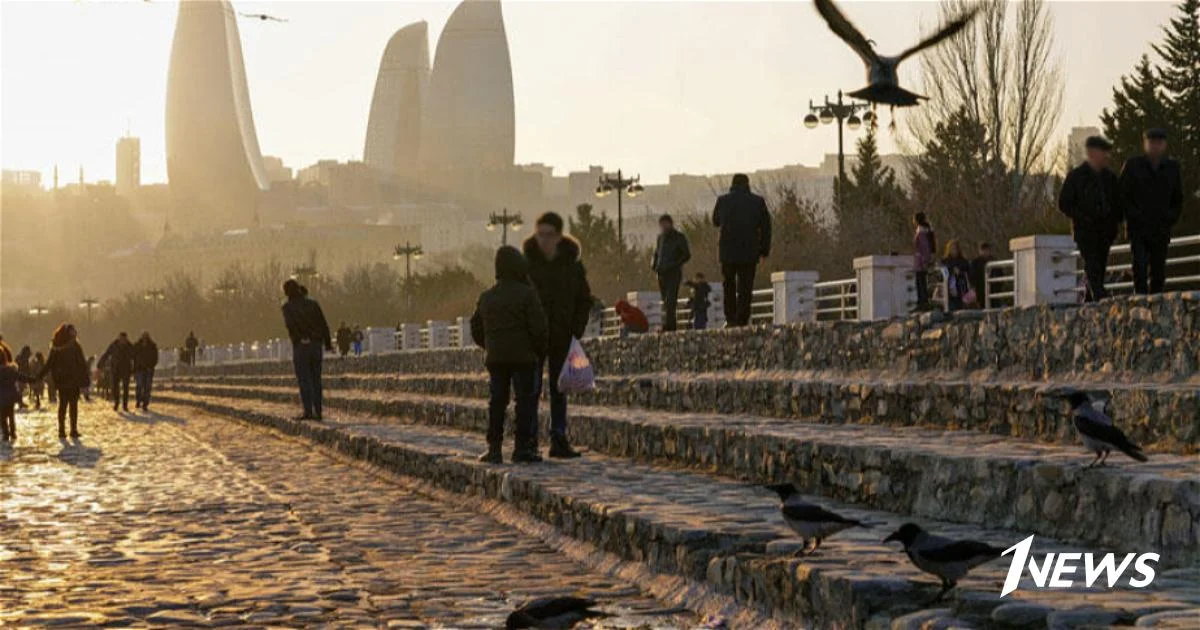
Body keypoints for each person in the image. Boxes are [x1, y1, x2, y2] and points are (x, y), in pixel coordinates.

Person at [470, 246, 549, 464]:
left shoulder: (487, 297)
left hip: (496, 358)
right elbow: (539, 327)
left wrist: (489, 345)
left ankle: (494, 448)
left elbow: (475, 327)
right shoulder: (527, 294)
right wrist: (537, 350)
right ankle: (522, 448)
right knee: (524, 402)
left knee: (497, 402)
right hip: (523, 358)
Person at [523, 212, 593, 459]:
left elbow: (584, 299)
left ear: (559, 236)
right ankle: (529, 440)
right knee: (530, 389)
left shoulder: (571, 265)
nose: (543, 240)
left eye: (549, 235)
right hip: (534, 338)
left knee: (559, 388)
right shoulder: (528, 264)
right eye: (539, 234)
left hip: (562, 335)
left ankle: (558, 438)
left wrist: (576, 328)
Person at [1120, 128, 1184, 294]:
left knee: (1158, 269)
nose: (1155, 146)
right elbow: (1121, 196)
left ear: (1164, 145)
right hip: (1138, 228)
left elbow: (1178, 198)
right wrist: (1133, 216)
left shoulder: (1171, 168)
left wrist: (1170, 217)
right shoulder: (1133, 166)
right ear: (1145, 144)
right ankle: (1140, 297)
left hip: (1160, 227)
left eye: (1159, 143)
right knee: (1139, 266)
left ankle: (1156, 301)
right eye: (1152, 142)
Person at [1060, 136, 1123, 302]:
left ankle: (1090, 297)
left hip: (1105, 232)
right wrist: (1082, 216)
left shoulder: (1109, 178)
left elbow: (1118, 202)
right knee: (1092, 262)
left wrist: (1116, 222)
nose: (1105, 156)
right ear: (1092, 153)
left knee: (1100, 265)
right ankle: (1098, 294)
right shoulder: (1077, 177)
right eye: (1103, 152)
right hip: (1085, 231)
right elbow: (1064, 203)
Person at [712, 174, 771, 326]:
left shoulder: (723, 201)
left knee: (729, 285)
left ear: (732, 184)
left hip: (727, 252)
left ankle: (730, 318)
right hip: (749, 252)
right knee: (745, 286)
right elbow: (766, 227)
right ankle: (742, 318)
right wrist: (764, 250)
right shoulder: (757, 202)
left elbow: (715, 221)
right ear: (747, 184)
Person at [281, 278, 333, 421]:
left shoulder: (287, 307)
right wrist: (327, 343)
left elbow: (291, 326)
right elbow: (323, 323)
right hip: (316, 345)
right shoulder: (313, 303)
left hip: (301, 347)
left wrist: (300, 338)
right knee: (316, 378)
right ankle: (319, 411)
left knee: (304, 379)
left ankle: (308, 411)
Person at [35, 324, 90, 440]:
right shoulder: (75, 345)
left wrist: (39, 376)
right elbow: (82, 365)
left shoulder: (56, 347)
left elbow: (49, 364)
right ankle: (73, 430)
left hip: (61, 381)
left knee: (63, 405)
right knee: (73, 406)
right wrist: (85, 381)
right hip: (73, 381)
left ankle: (61, 430)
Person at [651, 214, 691, 332]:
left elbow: (686, 254)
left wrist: (675, 264)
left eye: (665, 223)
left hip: (673, 273)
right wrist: (654, 265)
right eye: (661, 224)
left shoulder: (679, 237)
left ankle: (671, 326)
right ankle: (667, 324)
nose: (663, 226)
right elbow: (656, 253)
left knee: (671, 299)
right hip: (661, 273)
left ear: (670, 223)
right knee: (665, 300)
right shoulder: (660, 238)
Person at [0, 341, 35, 442]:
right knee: (11, 415)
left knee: (2, 417)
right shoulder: (11, 370)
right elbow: (21, 377)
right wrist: (33, 379)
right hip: (11, 397)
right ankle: (13, 432)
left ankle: (6, 433)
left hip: (1, 398)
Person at [100, 332, 135, 412]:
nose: (123, 340)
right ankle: (117, 402)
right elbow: (107, 354)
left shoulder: (130, 346)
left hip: (126, 369)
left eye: (124, 339)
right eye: (121, 339)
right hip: (115, 369)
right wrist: (100, 364)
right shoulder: (114, 345)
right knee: (115, 387)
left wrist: (134, 368)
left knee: (125, 388)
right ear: (119, 338)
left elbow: (135, 357)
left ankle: (125, 405)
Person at [912, 213, 937, 311]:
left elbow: (924, 247)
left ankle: (922, 302)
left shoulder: (921, 231)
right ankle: (923, 301)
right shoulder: (928, 230)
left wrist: (925, 260)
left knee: (920, 282)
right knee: (922, 282)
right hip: (923, 260)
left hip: (921, 261)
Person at [941, 240, 972, 311]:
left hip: (960, 285)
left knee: (960, 303)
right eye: (952, 249)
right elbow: (943, 271)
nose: (954, 251)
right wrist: (952, 270)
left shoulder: (963, 261)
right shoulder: (945, 261)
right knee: (950, 303)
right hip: (948, 285)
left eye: (955, 249)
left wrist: (960, 272)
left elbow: (967, 270)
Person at [133, 332, 159, 410]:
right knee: (139, 385)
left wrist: (151, 366)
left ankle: (145, 403)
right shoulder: (137, 346)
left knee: (147, 387)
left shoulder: (152, 346)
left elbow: (155, 358)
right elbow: (133, 357)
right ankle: (138, 399)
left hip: (149, 369)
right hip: (139, 369)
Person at [968, 243, 995, 308]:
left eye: (987, 250)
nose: (985, 252)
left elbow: (999, 274)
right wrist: (974, 288)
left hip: (993, 290)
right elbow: (972, 276)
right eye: (983, 250)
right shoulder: (975, 262)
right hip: (980, 291)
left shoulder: (993, 261)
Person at [14, 346, 32, 410]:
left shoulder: (22, 358)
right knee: (20, 390)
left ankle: (20, 402)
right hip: (20, 377)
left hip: (22, 377)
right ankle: (20, 403)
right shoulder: (22, 358)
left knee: (21, 390)